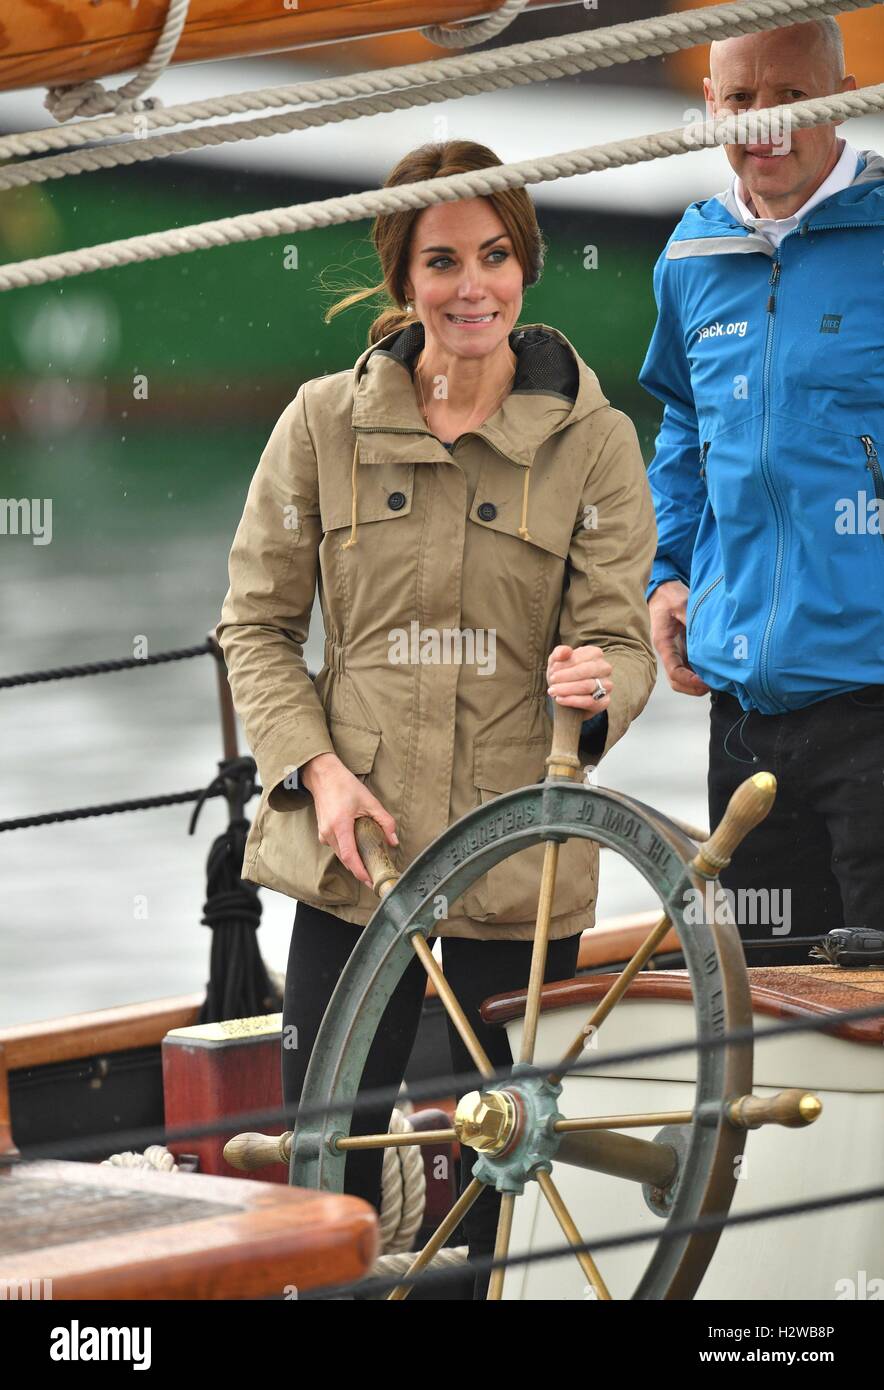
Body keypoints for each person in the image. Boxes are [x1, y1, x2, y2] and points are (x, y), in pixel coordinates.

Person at [217, 139, 657, 1297]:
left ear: (528, 264)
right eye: (442, 260)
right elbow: (253, 628)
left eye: (496, 255)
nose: (473, 286)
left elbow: (618, 640)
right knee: (333, 1167)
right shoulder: (318, 426)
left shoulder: (595, 443)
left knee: (506, 1185)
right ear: (401, 278)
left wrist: (601, 686)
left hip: (519, 877)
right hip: (353, 866)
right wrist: (315, 771)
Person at [640, 17, 884, 966]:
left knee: (872, 1009)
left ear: (844, 92)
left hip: (874, 703)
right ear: (711, 106)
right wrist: (667, 574)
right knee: (764, 1001)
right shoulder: (691, 258)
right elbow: (682, 427)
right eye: (741, 99)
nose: (764, 123)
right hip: (743, 715)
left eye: (791, 97)